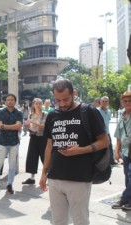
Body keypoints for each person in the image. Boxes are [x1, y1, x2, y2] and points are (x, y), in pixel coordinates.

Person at [39, 79, 109, 225]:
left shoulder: (88, 111)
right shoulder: (52, 116)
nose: (62, 104)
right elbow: (49, 146)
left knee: (80, 221)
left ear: (74, 93)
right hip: (55, 178)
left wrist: (81, 150)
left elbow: (105, 141)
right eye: (58, 100)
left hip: (79, 179)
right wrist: (44, 173)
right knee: (57, 221)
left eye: (66, 99)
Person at [0, 93, 23, 195]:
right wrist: (11, 126)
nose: (10, 101)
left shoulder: (18, 113)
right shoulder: (1, 111)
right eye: (8, 100)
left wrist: (5, 126)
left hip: (14, 142)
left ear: (15, 101)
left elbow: (18, 127)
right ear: (5, 101)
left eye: (12, 99)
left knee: (12, 165)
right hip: (2, 142)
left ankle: (10, 184)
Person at [111, 91, 131, 210]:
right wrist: (116, 151)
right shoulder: (122, 116)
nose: (127, 102)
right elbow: (119, 136)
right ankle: (129, 201)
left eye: (130, 100)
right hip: (125, 151)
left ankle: (123, 200)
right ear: (122, 102)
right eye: (125, 100)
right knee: (127, 177)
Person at [22, 98, 47, 185]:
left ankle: (48, 176)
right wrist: (27, 126)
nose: (38, 105)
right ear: (33, 104)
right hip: (33, 137)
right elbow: (27, 128)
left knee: (45, 157)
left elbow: (43, 126)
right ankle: (32, 177)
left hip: (43, 138)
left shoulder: (45, 114)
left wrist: (32, 123)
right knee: (32, 157)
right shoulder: (31, 115)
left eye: (40, 103)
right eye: (36, 103)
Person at [97, 96, 117, 165]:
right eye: (103, 101)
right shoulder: (97, 111)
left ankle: (111, 160)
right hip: (99, 133)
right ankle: (100, 161)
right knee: (100, 146)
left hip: (107, 132)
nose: (104, 103)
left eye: (106, 101)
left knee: (110, 146)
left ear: (108, 102)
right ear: (100, 102)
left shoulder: (109, 111)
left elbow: (108, 120)